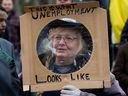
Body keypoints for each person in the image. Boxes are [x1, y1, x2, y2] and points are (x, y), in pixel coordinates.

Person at [0, 5, 23, 96]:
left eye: (5, 20)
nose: (4, 24)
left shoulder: (8, 46)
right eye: (0, 20)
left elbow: (14, 79)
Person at [1, 0, 21, 75]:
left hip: (15, 50)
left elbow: (21, 34)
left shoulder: (17, 18)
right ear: (1, 5)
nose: (7, 6)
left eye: (9, 4)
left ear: (12, 5)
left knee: (16, 71)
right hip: (2, 49)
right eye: (5, 4)